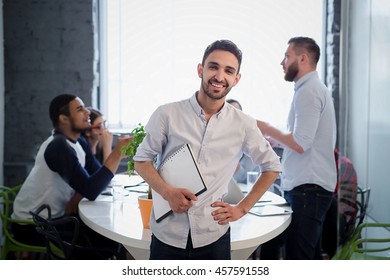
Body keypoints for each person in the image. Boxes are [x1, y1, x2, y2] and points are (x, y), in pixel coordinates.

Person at [133, 39, 282, 260]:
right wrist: (167, 192)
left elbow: (271, 167)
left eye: (228, 71)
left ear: (236, 79)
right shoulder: (167, 114)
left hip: (214, 237)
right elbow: (141, 161)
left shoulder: (244, 124)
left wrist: (241, 209)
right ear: (200, 69)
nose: (219, 76)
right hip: (167, 235)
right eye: (213, 67)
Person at [11, 94, 132, 259]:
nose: (87, 112)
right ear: (64, 118)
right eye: (80, 109)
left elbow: (99, 178)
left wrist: (110, 153)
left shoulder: (79, 142)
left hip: (56, 218)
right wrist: (116, 154)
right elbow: (91, 189)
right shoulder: (58, 146)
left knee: (111, 241)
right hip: (31, 226)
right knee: (103, 247)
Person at [257, 37, 337, 260]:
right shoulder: (310, 89)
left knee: (298, 259)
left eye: (286, 56)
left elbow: (301, 143)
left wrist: (266, 127)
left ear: (302, 58)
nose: (282, 62)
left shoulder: (308, 91)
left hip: (308, 191)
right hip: (309, 190)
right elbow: (302, 138)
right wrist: (277, 140)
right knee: (307, 258)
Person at [226, 99, 261, 184]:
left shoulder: (254, 145)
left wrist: (237, 169)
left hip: (249, 195)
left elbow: (268, 188)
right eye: (228, 114)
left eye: (237, 113)